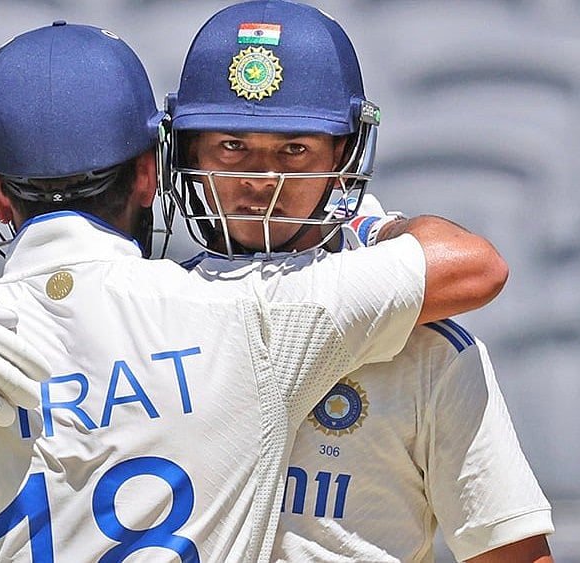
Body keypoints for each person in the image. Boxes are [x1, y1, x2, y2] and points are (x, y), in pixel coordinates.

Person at [0, 18, 508, 563]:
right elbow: (474, 266)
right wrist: (368, 223)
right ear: (150, 172)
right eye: (235, 149)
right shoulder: (255, 319)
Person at [163, 2, 554, 561]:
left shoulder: (427, 348)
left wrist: (380, 228)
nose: (261, 180)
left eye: (295, 150)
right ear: (188, 151)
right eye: (232, 146)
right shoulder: (145, 319)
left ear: (344, 156)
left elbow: (511, 552)